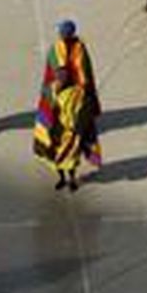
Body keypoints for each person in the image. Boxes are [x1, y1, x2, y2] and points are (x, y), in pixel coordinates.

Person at [34, 20, 102, 192]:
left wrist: (86, 97)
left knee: (71, 155)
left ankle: (71, 179)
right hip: (58, 126)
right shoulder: (55, 51)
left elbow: (85, 72)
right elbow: (51, 76)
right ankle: (62, 178)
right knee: (56, 153)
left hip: (71, 124)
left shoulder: (79, 50)